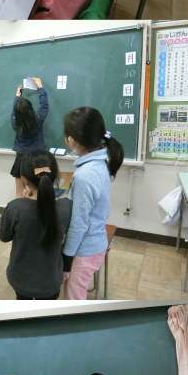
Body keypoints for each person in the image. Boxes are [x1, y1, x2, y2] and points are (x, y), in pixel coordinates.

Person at [62, 107, 124, 300]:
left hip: (85, 249)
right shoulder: (101, 161)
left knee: (73, 299)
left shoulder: (85, 175)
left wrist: (67, 258)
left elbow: (79, 224)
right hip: (95, 242)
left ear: (71, 140)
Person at [0, 151, 71, 300]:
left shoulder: (16, 208)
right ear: (55, 176)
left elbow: (3, 236)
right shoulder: (66, 207)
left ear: (23, 179)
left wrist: (22, 202)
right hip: (51, 281)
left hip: (20, 279)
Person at [10, 77, 48, 197]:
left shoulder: (15, 123)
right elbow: (44, 106)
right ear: (31, 109)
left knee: (19, 193)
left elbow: (15, 110)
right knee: (37, 193)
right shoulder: (38, 119)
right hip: (38, 159)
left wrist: (17, 96)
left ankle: (20, 209)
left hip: (21, 158)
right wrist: (40, 87)